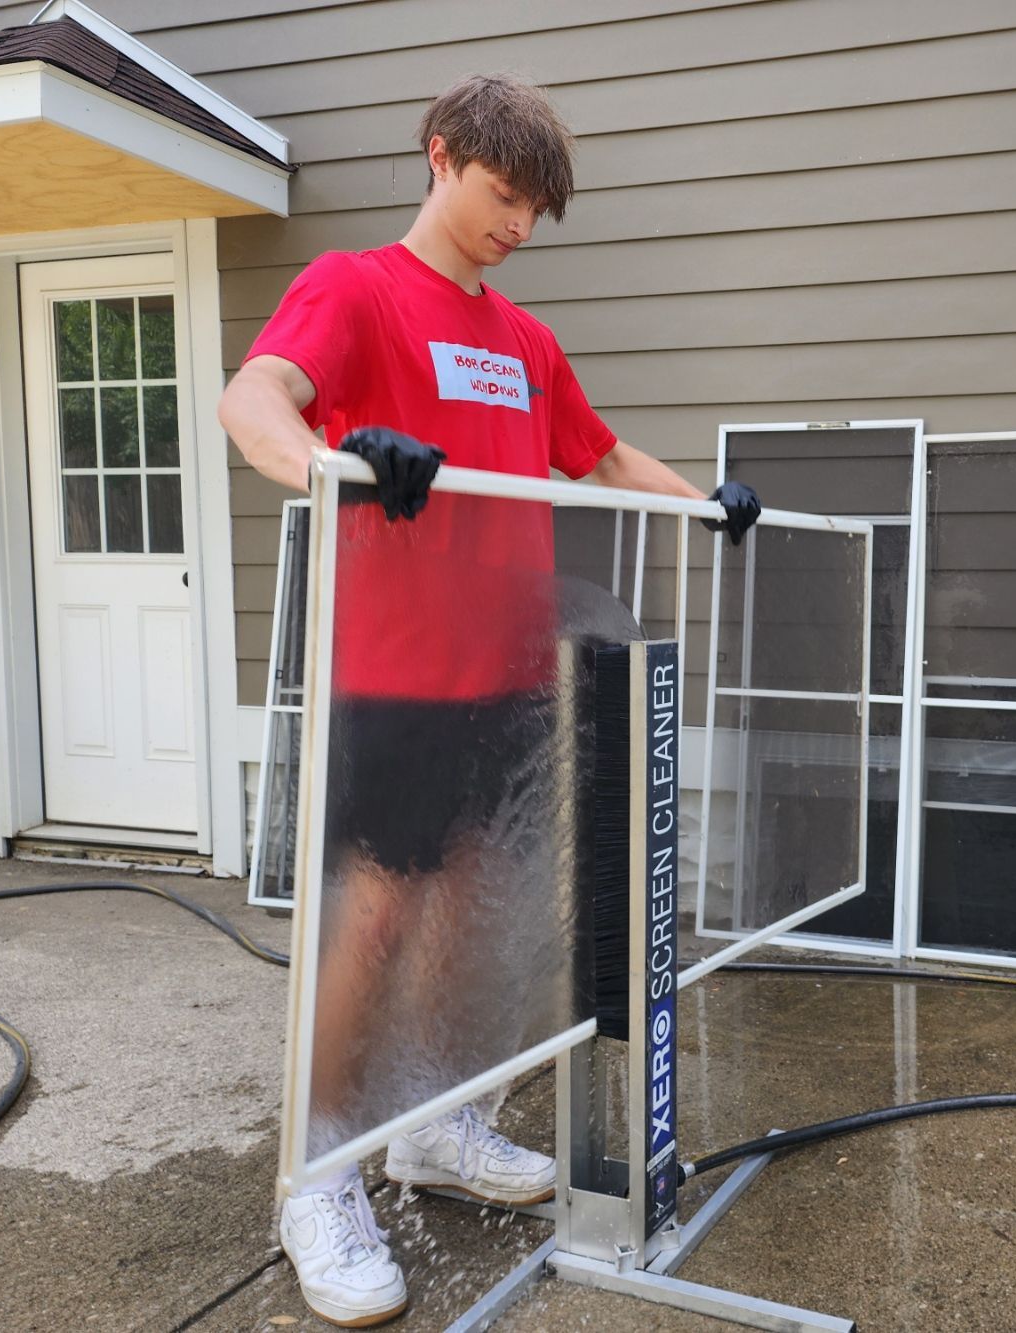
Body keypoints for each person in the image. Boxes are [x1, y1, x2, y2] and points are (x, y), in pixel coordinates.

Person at [218, 73, 760, 1329]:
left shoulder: (526, 343)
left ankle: (435, 1122)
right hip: (393, 681)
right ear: (442, 155)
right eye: (501, 193)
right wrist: (337, 464)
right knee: (369, 926)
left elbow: (604, 456)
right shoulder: (354, 289)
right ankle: (321, 1174)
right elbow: (255, 401)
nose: (515, 223)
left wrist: (710, 503)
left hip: (505, 681)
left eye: (534, 209)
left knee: (476, 908)